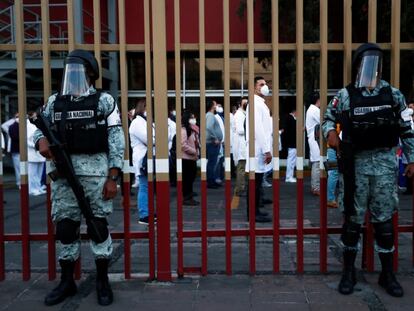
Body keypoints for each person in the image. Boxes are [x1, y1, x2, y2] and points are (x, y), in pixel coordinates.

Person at [322, 43, 414, 297]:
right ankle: (348, 272)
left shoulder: (393, 95)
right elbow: (328, 118)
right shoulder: (346, 95)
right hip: (356, 168)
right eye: (366, 63)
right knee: (352, 222)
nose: (371, 69)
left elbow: (407, 129)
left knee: (384, 224)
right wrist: (330, 132)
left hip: (385, 167)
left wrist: (412, 159)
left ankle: (387, 274)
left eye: (375, 63)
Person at [34, 49, 125, 306]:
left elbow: (116, 139)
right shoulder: (55, 103)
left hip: (96, 175)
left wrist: (113, 177)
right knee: (65, 228)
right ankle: (67, 281)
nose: (73, 77)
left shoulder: (104, 101)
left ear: (91, 74)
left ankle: (102, 280)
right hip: (64, 178)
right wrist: (40, 140)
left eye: (79, 72)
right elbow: (38, 129)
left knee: (98, 227)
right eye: (69, 72)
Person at [245, 76, 272, 223]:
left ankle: (255, 211)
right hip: (257, 149)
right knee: (254, 183)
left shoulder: (259, 103)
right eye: (261, 84)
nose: (265, 86)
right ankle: (252, 214)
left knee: (257, 182)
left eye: (265, 83)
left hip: (260, 148)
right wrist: (267, 150)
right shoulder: (255, 103)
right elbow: (258, 129)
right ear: (255, 87)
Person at [129, 98, 155, 225]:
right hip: (142, 158)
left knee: (148, 186)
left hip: (146, 157)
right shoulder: (137, 123)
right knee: (144, 186)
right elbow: (150, 139)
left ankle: (148, 212)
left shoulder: (144, 121)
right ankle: (144, 214)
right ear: (143, 108)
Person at [181, 111, 200, 206]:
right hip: (186, 158)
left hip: (192, 158)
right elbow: (183, 145)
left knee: (191, 178)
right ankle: (186, 198)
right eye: (192, 117)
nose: (194, 119)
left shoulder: (193, 130)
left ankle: (189, 196)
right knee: (187, 179)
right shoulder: (184, 130)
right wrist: (194, 151)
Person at [27, 111, 46, 196]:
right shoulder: (28, 125)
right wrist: (36, 146)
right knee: (32, 173)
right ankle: (32, 189)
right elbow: (27, 140)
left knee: (39, 172)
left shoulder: (39, 123)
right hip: (32, 152)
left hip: (39, 153)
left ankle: (38, 187)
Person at [306, 92, 321, 195]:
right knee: (317, 163)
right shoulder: (314, 110)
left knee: (316, 162)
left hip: (314, 139)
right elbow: (323, 121)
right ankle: (315, 187)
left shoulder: (311, 109)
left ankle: (315, 186)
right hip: (315, 139)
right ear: (318, 100)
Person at [206, 100, 223, 188]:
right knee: (212, 163)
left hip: (213, 143)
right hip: (212, 143)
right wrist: (215, 138)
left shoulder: (210, 115)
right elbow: (209, 127)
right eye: (216, 104)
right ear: (213, 106)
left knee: (212, 162)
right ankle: (210, 182)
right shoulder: (210, 115)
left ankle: (212, 180)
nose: (217, 106)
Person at [233, 98, 248, 196]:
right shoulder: (239, 115)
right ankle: (240, 189)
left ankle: (242, 187)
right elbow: (240, 130)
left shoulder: (244, 114)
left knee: (242, 168)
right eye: (245, 103)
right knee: (241, 168)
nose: (246, 104)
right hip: (241, 144)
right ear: (240, 104)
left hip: (244, 144)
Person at [282, 107, 297, 183]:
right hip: (292, 143)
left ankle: (290, 176)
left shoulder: (289, 118)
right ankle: (289, 176)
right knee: (291, 160)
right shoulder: (290, 119)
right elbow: (291, 131)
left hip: (291, 142)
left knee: (291, 160)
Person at [7, 114, 20, 188]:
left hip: (17, 150)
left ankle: (20, 182)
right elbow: (16, 137)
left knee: (20, 168)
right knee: (18, 168)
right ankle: (19, 182)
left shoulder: (12, 126)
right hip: (16, 150)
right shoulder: (12, 126)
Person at [214, 102, 225, 184]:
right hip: (218, 142)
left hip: (222, 142)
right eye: (218, 106)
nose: (220, 108)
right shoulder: (215, 117)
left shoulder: (222, 118)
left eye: (221, 106)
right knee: (217, 161)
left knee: (221, 161)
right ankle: (216, 177)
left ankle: (220, 177)